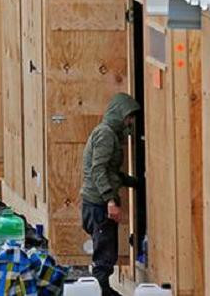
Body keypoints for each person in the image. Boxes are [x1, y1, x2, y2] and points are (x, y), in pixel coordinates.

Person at [80, 92, 141, 296]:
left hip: (96, 202)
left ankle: (102, 289)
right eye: (128, 117)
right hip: (98, 203)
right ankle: (101, 291)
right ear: (119, 114)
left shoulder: (109, 134)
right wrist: (110, 200)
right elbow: (99, 170)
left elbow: (110, 171)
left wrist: (130, 181)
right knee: (105, 252)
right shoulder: (106, 134)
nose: (130, 122)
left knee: (105, 248)